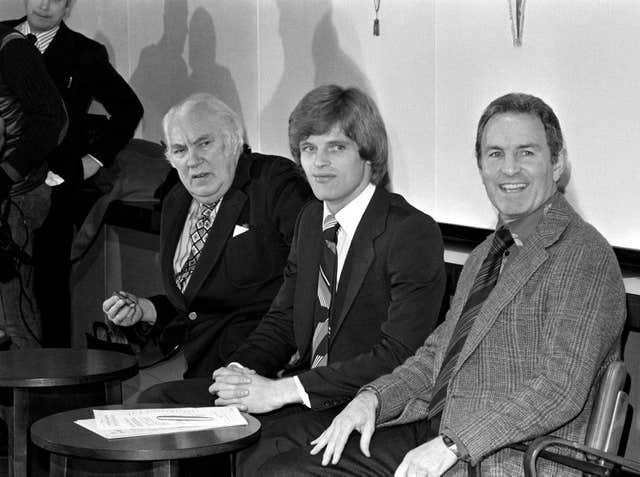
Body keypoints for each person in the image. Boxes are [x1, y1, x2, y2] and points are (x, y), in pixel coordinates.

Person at [258, 92, 627, 476]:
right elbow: (436, 355)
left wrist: (454, 444)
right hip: (437, 434)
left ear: (557, 164)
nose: (509, 169)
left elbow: (558, 388)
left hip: (506, 458)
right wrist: (372, 399)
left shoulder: (584, 255)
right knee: (277, 463)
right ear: (481, 166)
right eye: (495, 154)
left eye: (527, 153)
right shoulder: (487, 253)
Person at [182, 84, 445, 475]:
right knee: (178, 412)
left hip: (370, 406)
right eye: (309, 148)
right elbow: (283, 320)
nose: (319, 162)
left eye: (336, 147)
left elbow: (399, 355)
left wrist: (281, 391)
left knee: (253, 453)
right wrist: (240, 369)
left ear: (368, 155)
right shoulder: (310, 220)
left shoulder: (410, 231)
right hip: (310, 393)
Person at [102, 92, 313, 379]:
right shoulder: (176, 201)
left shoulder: (273, 182)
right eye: (179, 150)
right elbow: (195, 305)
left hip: (260, 370)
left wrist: (254, 367)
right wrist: (145, 309)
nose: (192, 160)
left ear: (233, 141)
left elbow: (312, 280)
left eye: (204, 143)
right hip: (197, 364)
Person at [5, 0, 144, 347]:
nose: (44, 4)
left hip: (51, 186)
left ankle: (54, 386)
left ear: (69, 5)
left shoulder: (84, 53)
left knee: (48, 287)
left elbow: (129, 109)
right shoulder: (4, 36)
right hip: (4, 182)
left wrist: (91, 161)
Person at [0, 22, 67, 349]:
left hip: (13, 200)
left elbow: (53, 119)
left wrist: (7, 173)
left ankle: (36, 400)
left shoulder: (11, 49)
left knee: (16, 318)